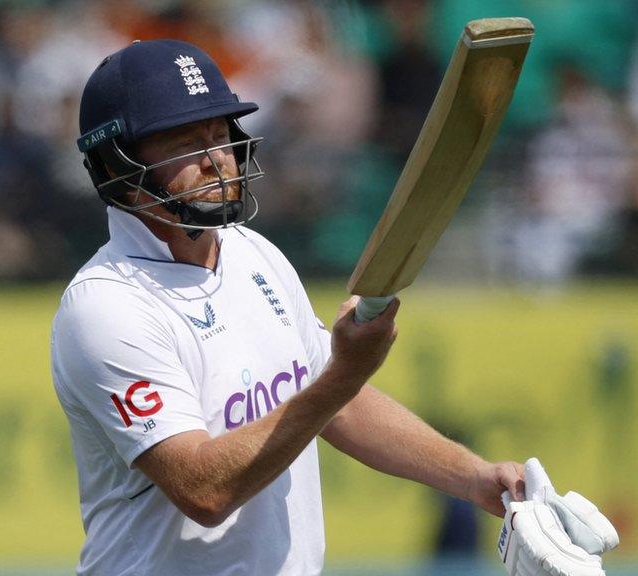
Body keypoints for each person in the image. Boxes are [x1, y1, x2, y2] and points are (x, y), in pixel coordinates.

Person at [50, 39, 525, 576]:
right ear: (119, 165)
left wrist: (476, 479)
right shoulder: (107, 307)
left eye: (220, 133)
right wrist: (342, 376)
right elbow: (205, 490)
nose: (216, 158)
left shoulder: (254, 253)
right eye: (186, 143)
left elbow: (339, 405)